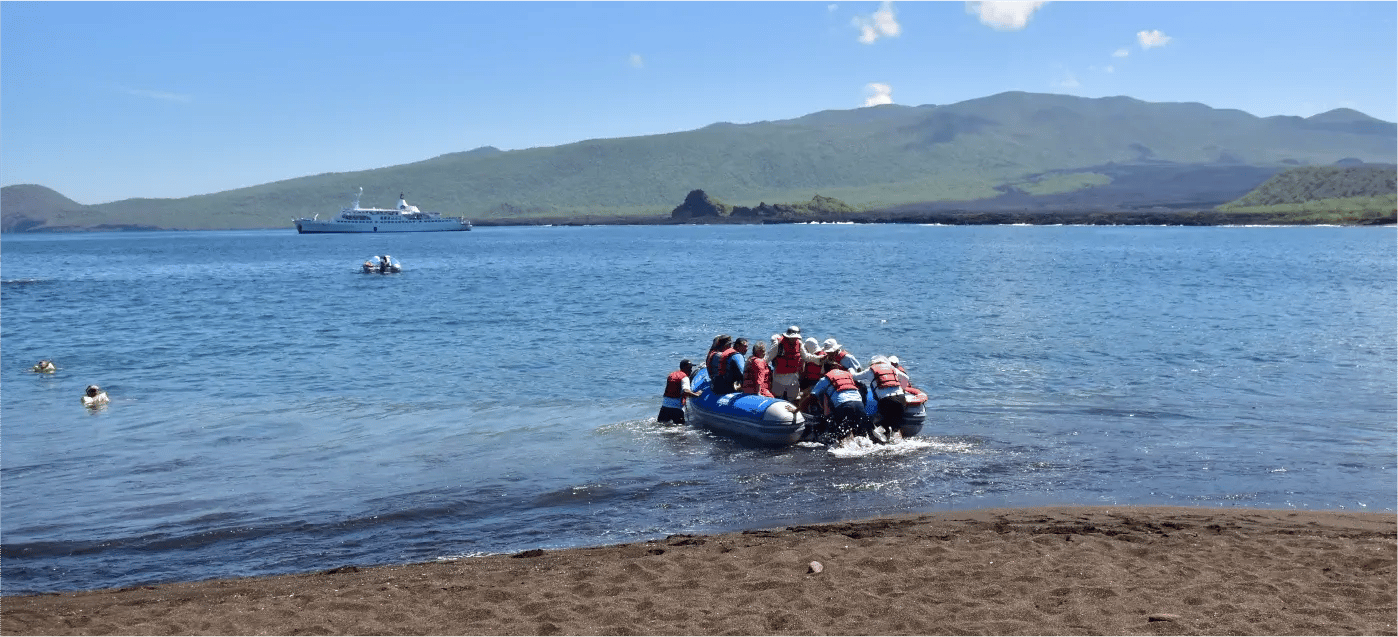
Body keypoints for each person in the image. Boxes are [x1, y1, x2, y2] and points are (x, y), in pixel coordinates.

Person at [798, 360, 868, 443]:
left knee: (841, 438)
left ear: (825, 370)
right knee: (860, 436)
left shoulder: (825, 379)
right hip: (859, 405)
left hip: (843, 406)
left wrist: (797, 410)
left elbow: (812, 397)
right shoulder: (848, 376)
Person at [765, 326, 823, 401]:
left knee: (793, 399)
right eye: (792, 337)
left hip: (793, 377)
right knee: (778, 398)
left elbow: (806, 357)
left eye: (795, 337)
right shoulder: (778, 344)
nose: (794, 339)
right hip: (779, 377)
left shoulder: (799, 344)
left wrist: (819, 359)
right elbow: (767, 358)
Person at [854, 355, 909, 433]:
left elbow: (855, 377)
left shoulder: (870, 370)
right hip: (901, 398)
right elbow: (906, 378)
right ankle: (895, 440)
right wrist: (902, 389)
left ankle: (880, 439)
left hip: (886, 400)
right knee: (896, 427)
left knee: (881, 423)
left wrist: (850, 369)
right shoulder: (892, 368)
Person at [657, 360, 701, 424]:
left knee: (662, 426)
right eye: (689, 368)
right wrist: (696, 395)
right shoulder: (684, 378)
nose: (691, 370)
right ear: (685, 368)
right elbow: (686, 391)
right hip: (677, 409)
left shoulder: (671, 375)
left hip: (665, 407)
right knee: (680, 431)